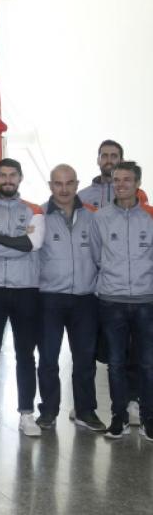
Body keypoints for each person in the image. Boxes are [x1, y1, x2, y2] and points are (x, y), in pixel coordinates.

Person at [0, 158, 45, 436]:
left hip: (26, 289)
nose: (7, 180)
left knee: (25, 353)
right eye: (2, 175)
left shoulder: (34, 210)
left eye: (13, 175)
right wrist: (18, 245)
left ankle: (26, 413)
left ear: (20, 177)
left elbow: (34, 244)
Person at [36, 164, 105, 432]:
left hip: (85, 299)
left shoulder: (92, 217)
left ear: (77, 185)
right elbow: (32, 257)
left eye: (69, 183)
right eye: (58, 183)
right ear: (50, 185)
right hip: (50, 299)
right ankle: (48, 411)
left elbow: (100, 257)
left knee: (85, 359)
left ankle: (85, 411)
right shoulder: (40, 216)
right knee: (48, 358)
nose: (63, 189)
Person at [90, 161, 153, 440]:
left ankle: (149, 418)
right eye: (117, 180)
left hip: (145, 301)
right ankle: (119, 417)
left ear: (138, 183)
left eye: (127, 179)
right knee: (115, 363)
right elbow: (96, 256)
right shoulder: (101, 218)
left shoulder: (150, 217)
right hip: (111, 300)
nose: (121, 184)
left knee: (147, 363)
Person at [78, 139, 148, 210]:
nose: (109, 160)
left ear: (122, 161)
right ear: (98, 160)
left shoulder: (137, 194)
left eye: (114, 156)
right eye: (104, 156)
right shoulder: (82, 196)